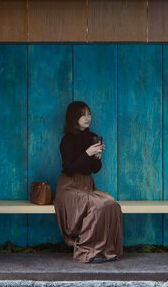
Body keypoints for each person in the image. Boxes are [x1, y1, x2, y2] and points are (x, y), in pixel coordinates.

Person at [54, 101, 123, 263]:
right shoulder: (67, 140)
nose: (87, 118)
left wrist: (97, 157)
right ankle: (87, 249)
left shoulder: (91, 137)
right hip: (69, 186)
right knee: (96, 205)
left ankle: (106, 249)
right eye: (82, 114)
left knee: (111, 203)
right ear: (74, 117)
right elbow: (69, 168)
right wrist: (87, 153)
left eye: (89, 114)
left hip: (86, 184)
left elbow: (94, 169)